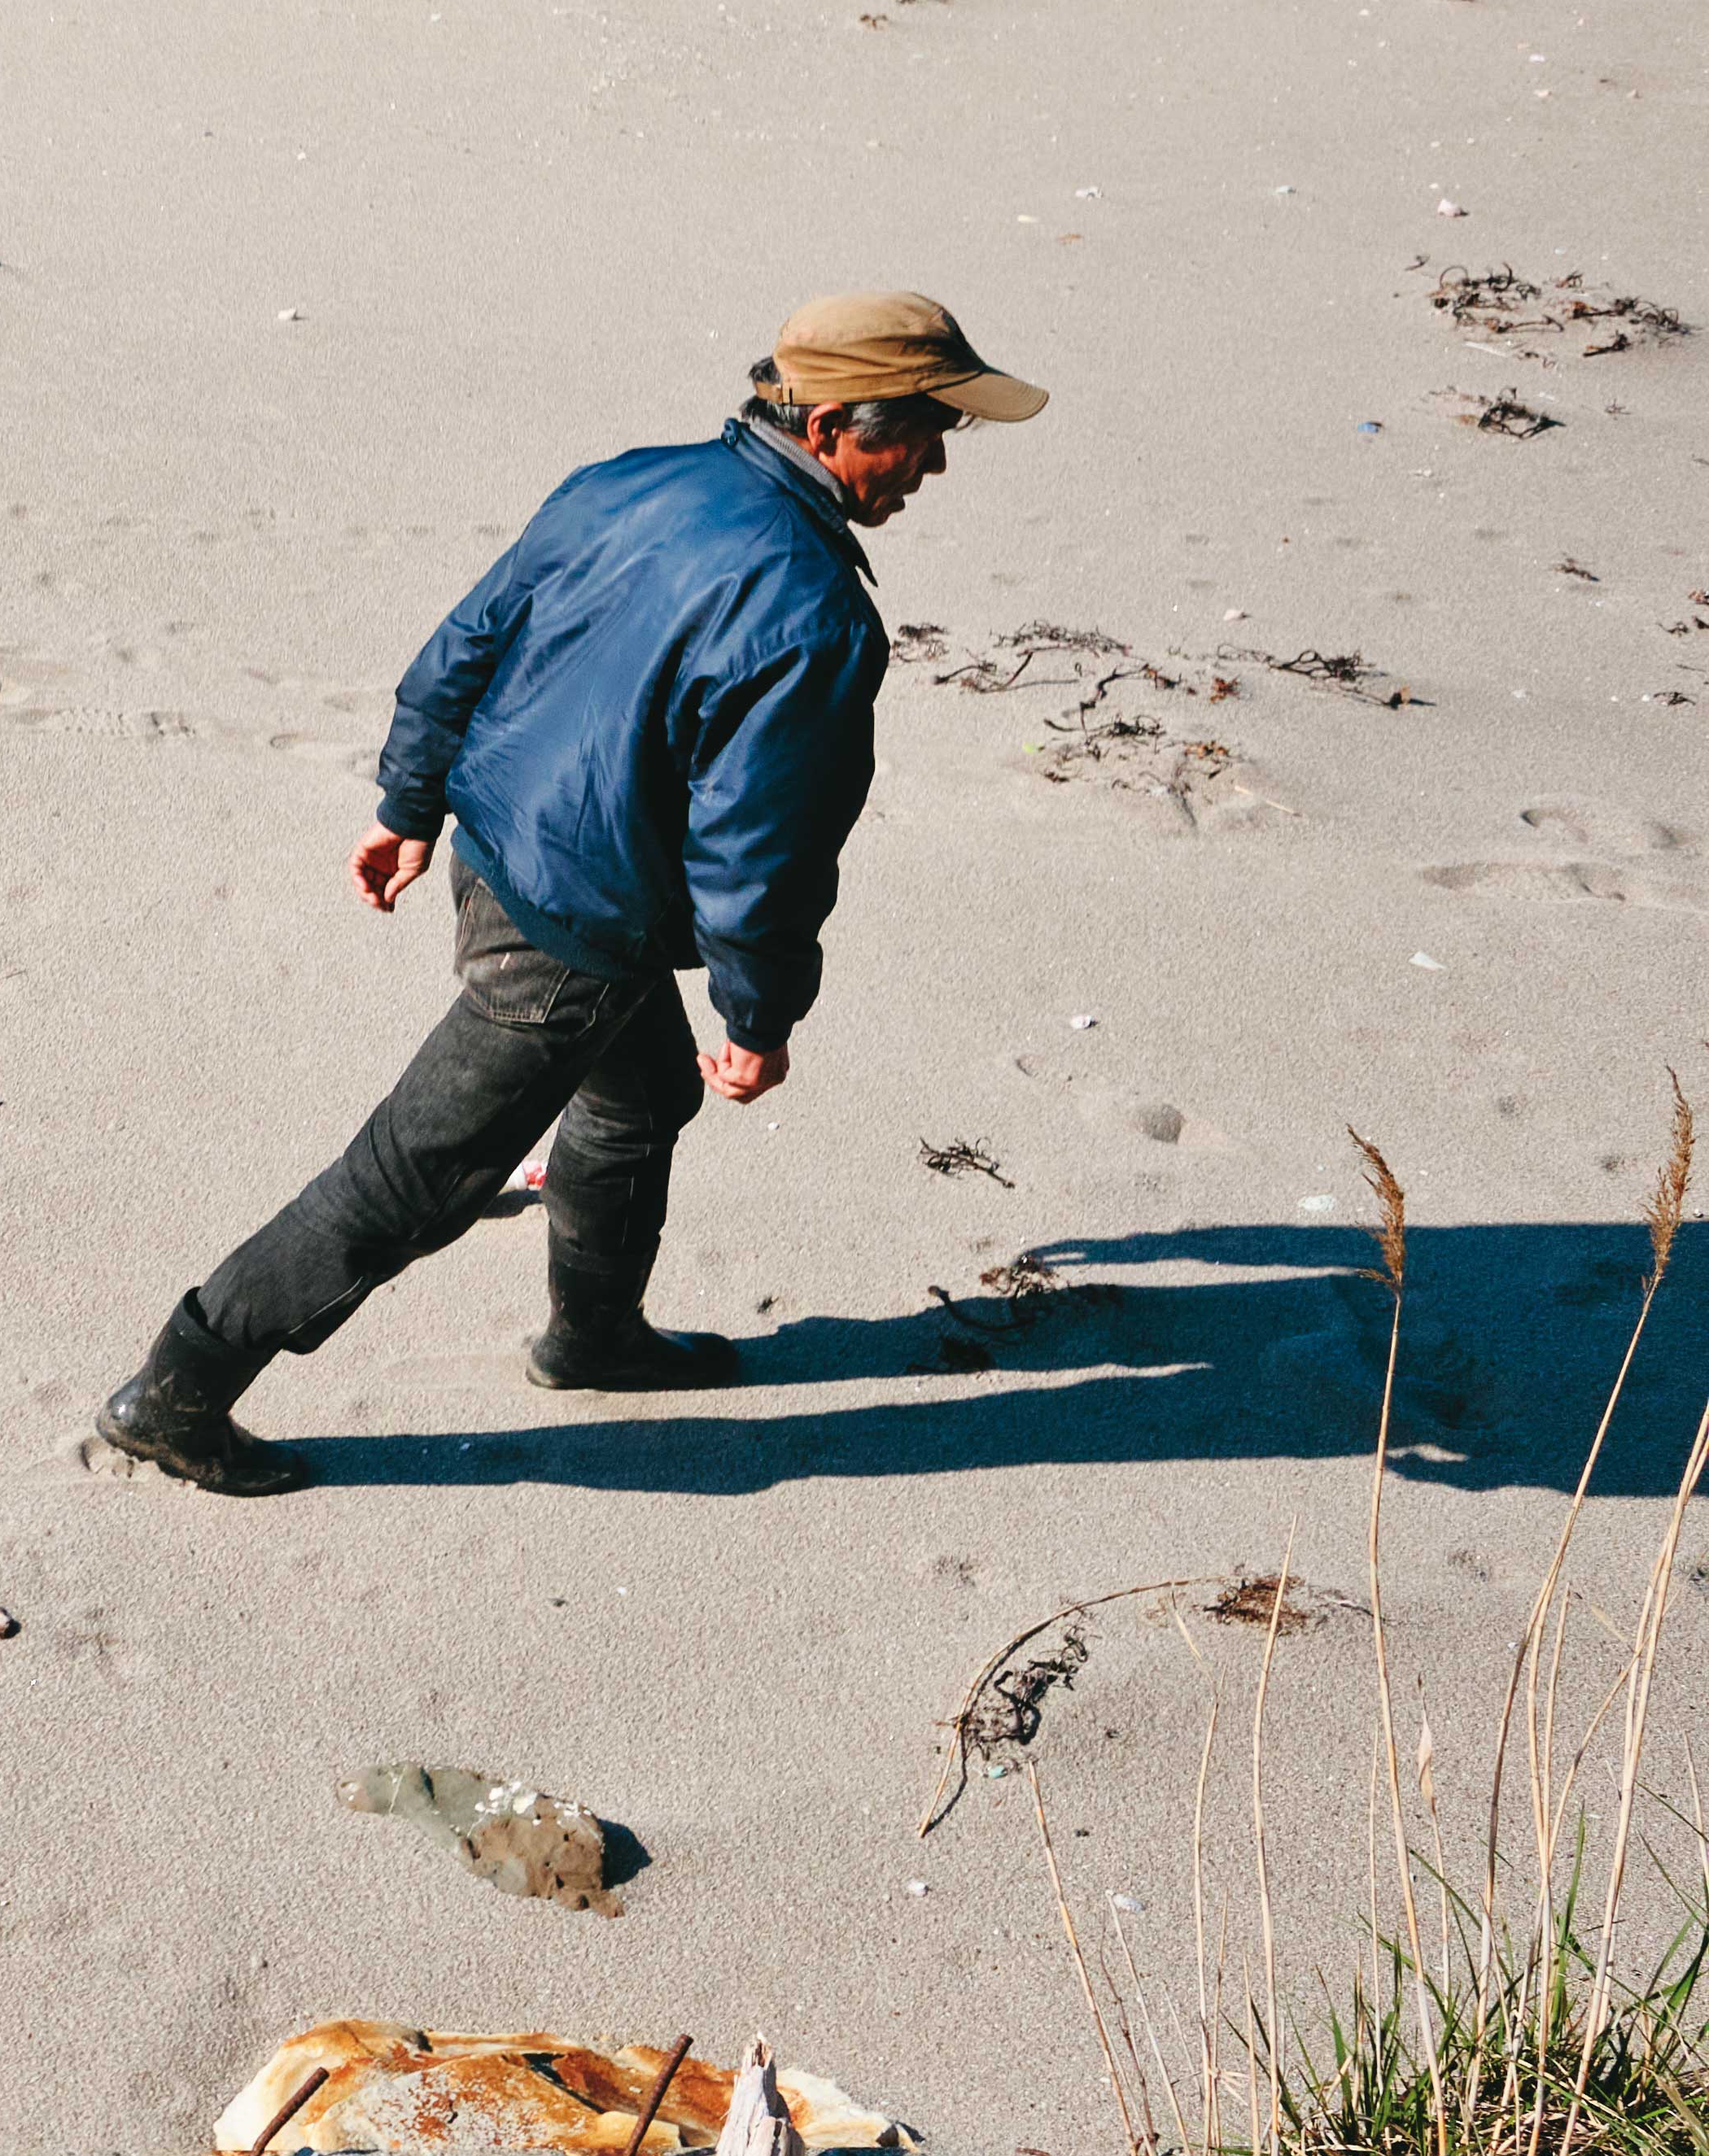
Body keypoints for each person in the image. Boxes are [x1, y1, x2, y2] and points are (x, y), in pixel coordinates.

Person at [92, 293, 1051, 1495]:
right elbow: (761, 853)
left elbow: (468, 643)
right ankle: (179, 1389)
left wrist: (407, 807)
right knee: (410, 1180)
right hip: (576, 935)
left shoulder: (629, 481)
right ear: (827, 430)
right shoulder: (812, 617)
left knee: (641, 1094)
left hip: (495, 854)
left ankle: (593, 1337)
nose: (937, 460)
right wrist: (761, 1019)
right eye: (918, 428)